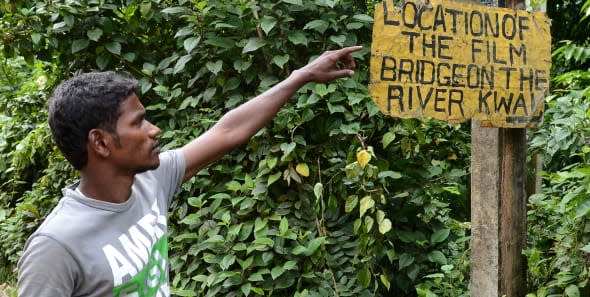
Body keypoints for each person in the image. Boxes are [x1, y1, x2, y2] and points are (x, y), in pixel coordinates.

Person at [17, 46, 362, 297]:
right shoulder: (56, 247)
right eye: (138, 123)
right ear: (101, 143)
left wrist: (300, 76)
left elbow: (227, 132)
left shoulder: (150, 181)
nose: (154, 131)